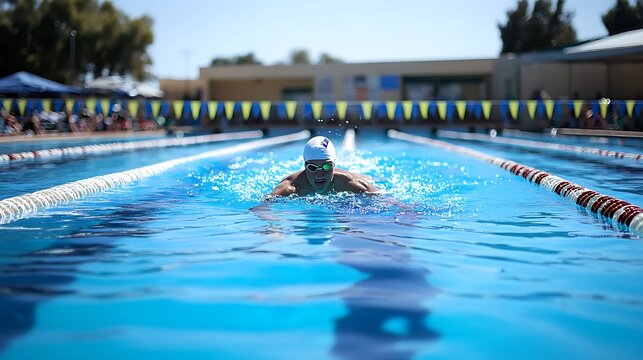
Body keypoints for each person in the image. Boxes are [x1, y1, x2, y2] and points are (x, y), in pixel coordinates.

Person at [269, 136, 378, 197]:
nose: (319, 174)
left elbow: (385, 200)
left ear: (334, 165)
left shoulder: (350, 183)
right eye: (312, 167)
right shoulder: (290, 187)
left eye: (326, 166)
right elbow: (263, 208)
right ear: (305, 166)